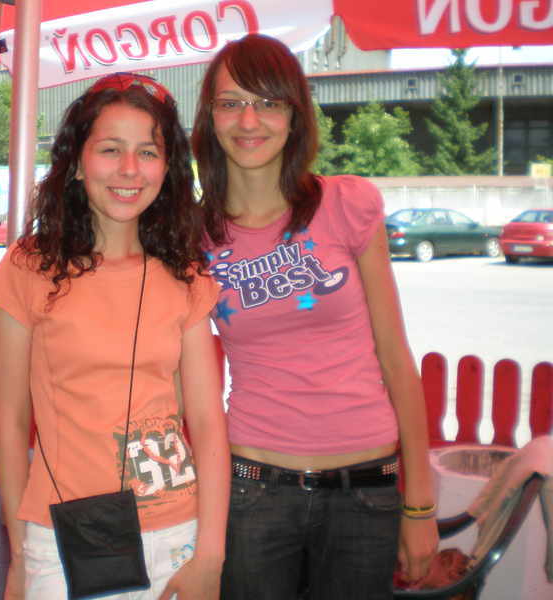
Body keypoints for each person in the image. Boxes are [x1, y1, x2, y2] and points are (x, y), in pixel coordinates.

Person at [191, 34, 439, 599]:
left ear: (294, 114)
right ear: (210, 117)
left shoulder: (346, 205)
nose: (249, 120)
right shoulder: (194, 235)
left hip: (366, 493)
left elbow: (396, 358)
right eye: (231, 103)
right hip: (254, 493)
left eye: (268, 102)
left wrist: (420, 505)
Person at [0, 72, 229, 600]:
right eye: (110, 149)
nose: (129, 169)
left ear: (168, 167)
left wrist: (211, 555)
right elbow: (9, 418)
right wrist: (20, 553)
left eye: (148, 152)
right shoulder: (30, 267)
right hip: (65, 535)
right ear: (76, 161)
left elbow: (208, 423)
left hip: (178, 533)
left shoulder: (186, 276)